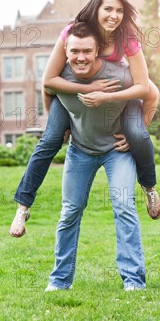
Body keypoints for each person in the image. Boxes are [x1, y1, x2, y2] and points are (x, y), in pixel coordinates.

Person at [9, 0, 160, 238]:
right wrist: (62, 120)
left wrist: (110, 99)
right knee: (49, 140)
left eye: (120, 11)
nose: (114, 15)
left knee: (136, 133)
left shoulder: (127, 38)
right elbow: (48, 81)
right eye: (108, 9)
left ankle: (149, 187)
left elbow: (146, 88)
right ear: (96, 9)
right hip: (72, 91)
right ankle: (22, 208)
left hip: (114, 88)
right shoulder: (75, 32)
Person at [45, 22, 146, 291]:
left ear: (97, 50)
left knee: (124, 206)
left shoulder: (118, 76)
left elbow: (149, 92)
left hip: (116, 151)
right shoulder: (61, 77)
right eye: (75, 51)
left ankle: (133, 280)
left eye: (87, 51)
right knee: (70, 212)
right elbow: (48, 89)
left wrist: (136, 132)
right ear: (65, 50)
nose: (81, 57)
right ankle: (59, 281)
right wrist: (59, 127)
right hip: (80, 150)